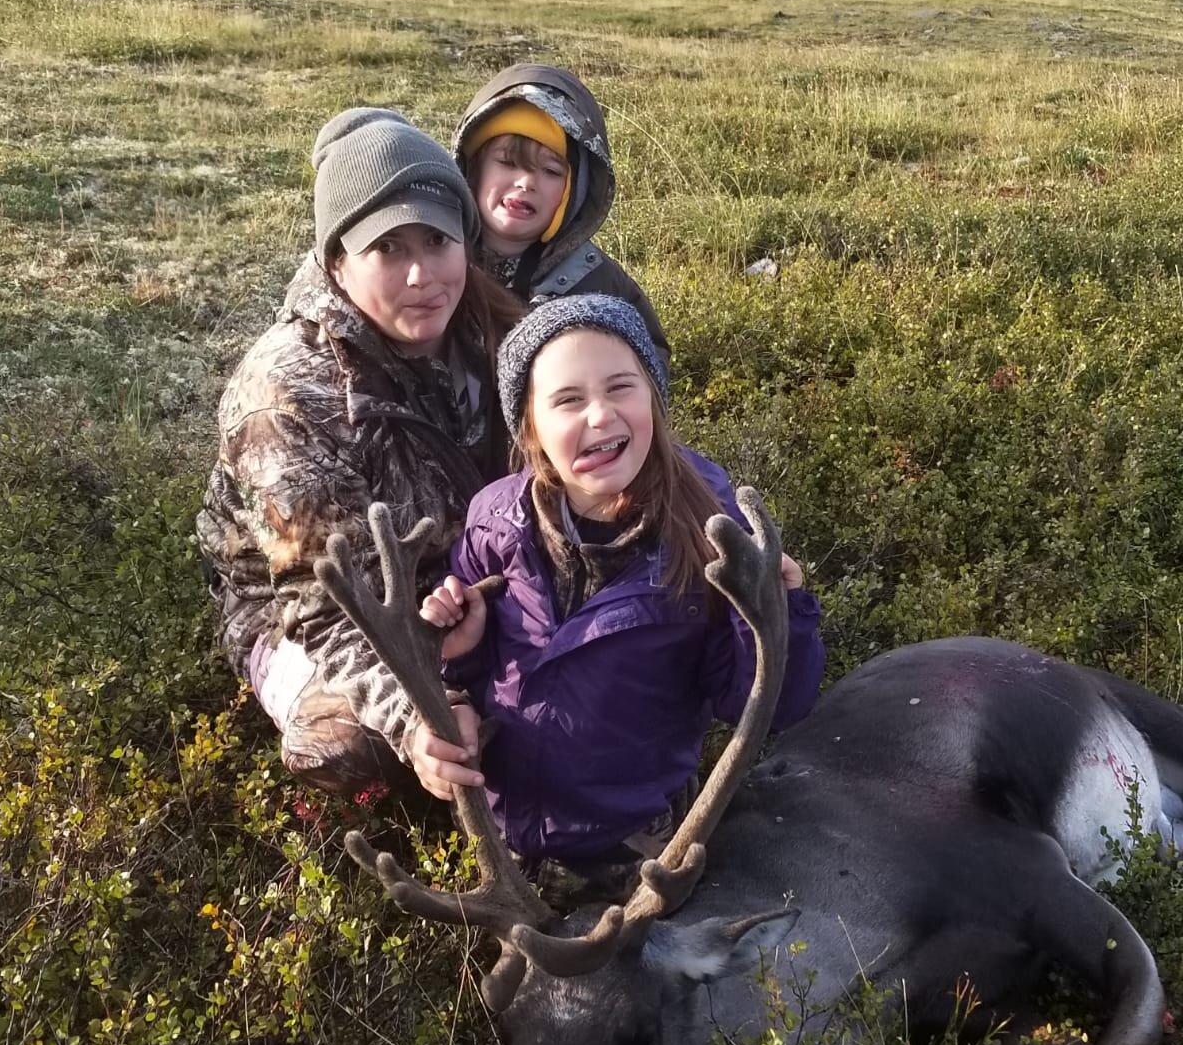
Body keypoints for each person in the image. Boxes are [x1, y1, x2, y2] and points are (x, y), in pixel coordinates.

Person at [414, 294, 824, 880]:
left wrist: (775, 612)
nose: (601, 416)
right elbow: (471, 674)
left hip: (636, 845)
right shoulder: (493, 519)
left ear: (653, 398)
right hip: (500, 832)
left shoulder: (712, 532)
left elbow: (772, 704)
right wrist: (457, 656)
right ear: (530, 425)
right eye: (568, 400)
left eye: (621, 388)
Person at [196, 108, 520, 797]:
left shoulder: (496, 327)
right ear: (337, 258)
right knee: (350, 741)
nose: (421, 276)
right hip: (307, 618)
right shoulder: (285, 397)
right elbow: (320, 609)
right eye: (388, 249)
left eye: (436, 240)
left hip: (462, 582)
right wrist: (415, 721)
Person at [454, 63, 670, 368]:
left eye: (551, 171)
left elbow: (649, 368)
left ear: (575, 193)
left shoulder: (597, 283)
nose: (526, 182)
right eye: (507, 162)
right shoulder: (432, 258)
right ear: (472, 170)